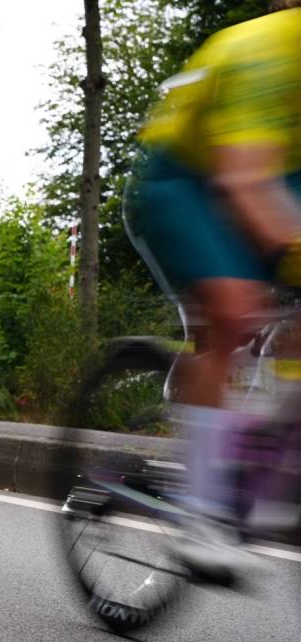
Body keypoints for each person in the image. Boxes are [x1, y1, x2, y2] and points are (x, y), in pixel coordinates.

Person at [123, 1, 301, 580]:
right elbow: (243, 180)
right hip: (188, 179)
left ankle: (265, 463)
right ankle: (201, 513)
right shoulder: (266, 50)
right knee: (232, 309)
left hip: (279, 174)